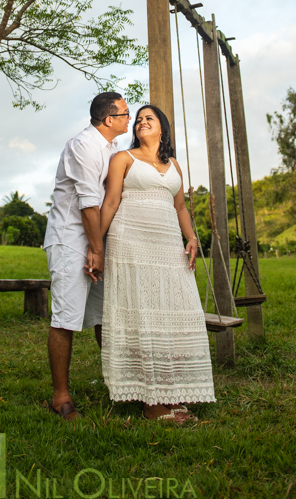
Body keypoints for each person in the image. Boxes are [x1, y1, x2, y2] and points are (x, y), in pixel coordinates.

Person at [99, 104, 216, 422]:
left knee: (173, 314)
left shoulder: (174, 164)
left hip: (167, 246)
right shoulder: (124, 158)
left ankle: (169, 392)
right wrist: (96, 244)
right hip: (130, 243)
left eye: (148, 118)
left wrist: (191, 237)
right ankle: (152, 404)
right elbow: (110, 201)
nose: (140, 123)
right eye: (137, 120)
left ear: (162, 127)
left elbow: (179, 207)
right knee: (143, 315)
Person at [44, 91, 131, 421]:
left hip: (96, 240)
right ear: (110, 120)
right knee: (65, 318)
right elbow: (88, 203)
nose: (129, 118)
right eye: (125, 113)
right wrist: (95, 249)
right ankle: (60, 397)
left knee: (102, 316)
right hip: (70, 241)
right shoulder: (84, 145)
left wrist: (100, 247)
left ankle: (119, 384)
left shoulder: (111, 147)